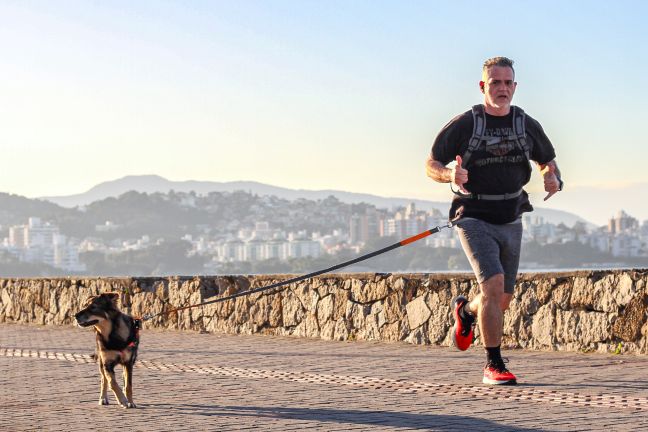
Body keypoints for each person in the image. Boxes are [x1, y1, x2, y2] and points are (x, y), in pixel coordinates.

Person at [425, 56, 562, 385]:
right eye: (495, 82)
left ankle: (466, 311)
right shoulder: (466, 124)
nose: (502, 88)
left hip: (511, 217)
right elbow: (430, 163)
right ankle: (494, 364)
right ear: (483, 86)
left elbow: (548, 161)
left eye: (507, 83)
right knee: (492, 285)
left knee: (501, 299)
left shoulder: (524, 123)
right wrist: (448, 174)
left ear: (515, 86)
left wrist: (552, 178)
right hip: (472, 216)